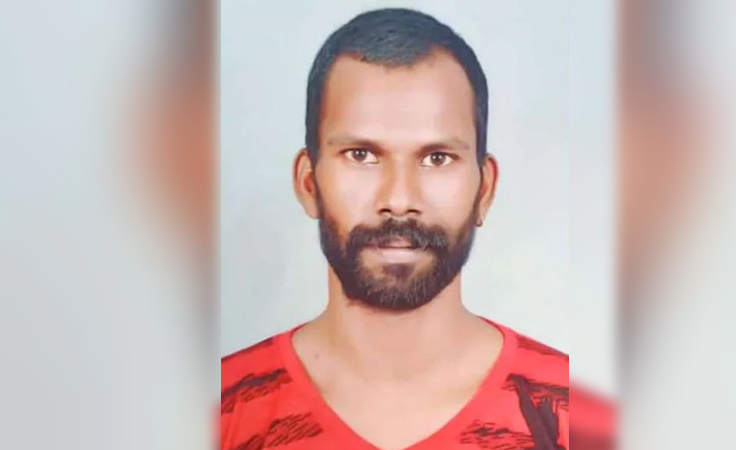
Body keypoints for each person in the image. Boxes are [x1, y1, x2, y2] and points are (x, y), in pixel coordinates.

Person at [221, 8, 568, 450]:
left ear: (484, 189)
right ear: (309, 184)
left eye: (437, 158)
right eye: (361, 155)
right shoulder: (221, 412)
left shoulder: (571, 413)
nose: (399, 199)